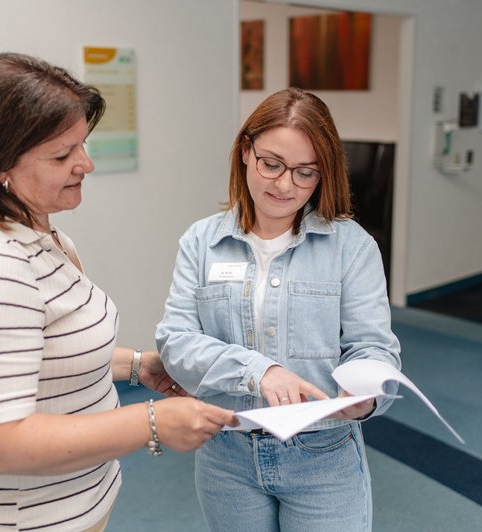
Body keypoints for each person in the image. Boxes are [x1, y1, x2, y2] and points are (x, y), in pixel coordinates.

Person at [0, 52, 236, 532]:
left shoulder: (42, 237)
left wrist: (134, 365)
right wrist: (153, 422)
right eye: (62, 155)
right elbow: (2, 445)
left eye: (83, 145)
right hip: (18, 520)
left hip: (70, 506)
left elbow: (36, 355)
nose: (85, 164)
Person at [155, 87, 402, 532]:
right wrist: (258, 371)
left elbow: (374, 348)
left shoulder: (352, 247)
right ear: (246, 151)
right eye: (272, 164)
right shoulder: (201, 242)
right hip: (226, 454)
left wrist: (365, 396)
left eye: (306, 173)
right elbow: (176, 342)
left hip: (323, 455)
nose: (285, 185)